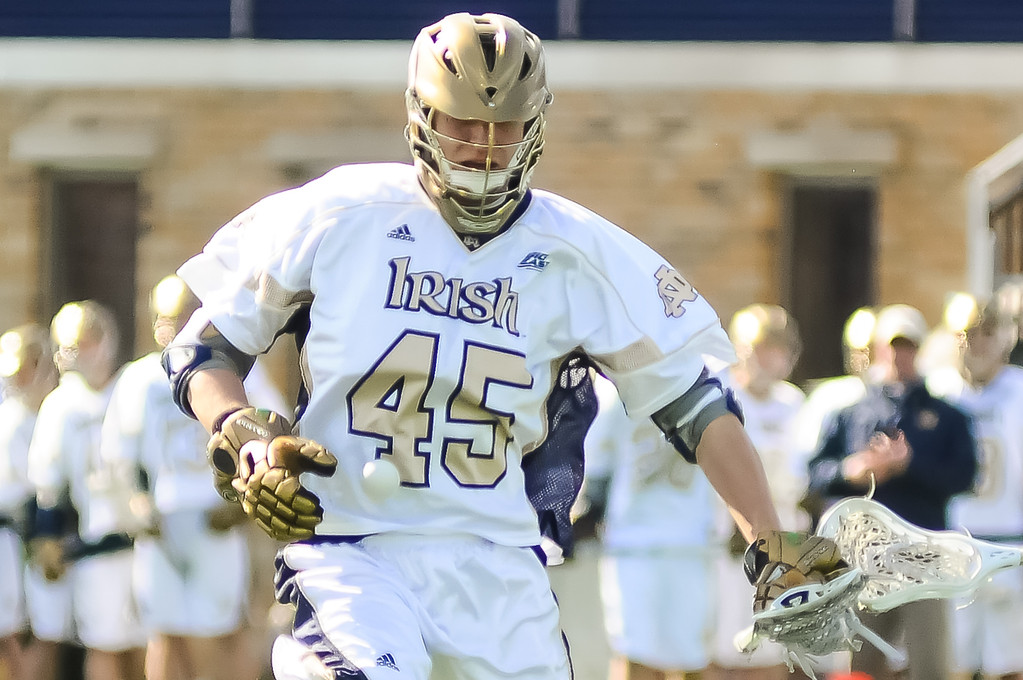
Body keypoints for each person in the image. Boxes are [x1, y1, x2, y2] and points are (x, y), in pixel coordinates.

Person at [161, 12, 846, 680]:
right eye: (462, 123)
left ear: (536, 122)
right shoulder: (343, 213)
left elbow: (695, 405)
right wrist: (239, 429)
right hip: (352, 547)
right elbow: (204, 350)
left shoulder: (576, 251)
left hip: (500, 562)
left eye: (504, 125)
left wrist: (768, 538)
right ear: (421, 114)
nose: (484, 146)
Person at [100, 275, 263, 680]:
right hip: (163, 516)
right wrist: (134, 503)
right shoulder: (138, 378)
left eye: (179, 317)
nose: (169, 328)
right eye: (164, 319)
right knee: (164, 631)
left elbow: (266, 430)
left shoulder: (234, 368)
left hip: (215, 512)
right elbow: (117, 454)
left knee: (225, 629)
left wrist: (244, 500)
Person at [807, 303, 978, 680]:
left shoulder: (947, 416)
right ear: (877, 348)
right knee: (860, 665)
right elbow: (815, 474)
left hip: (926, 553)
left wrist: (910, 465)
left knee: (931, 665)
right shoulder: (850, 413)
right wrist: (853, 470)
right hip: (866, 555)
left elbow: (965, 476)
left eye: (908, 346)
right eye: (893, 345)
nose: (900, 355)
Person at [27, 301, 147, 680]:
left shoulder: (134, 387)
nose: (79, 353)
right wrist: (47, 533)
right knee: (104, 643)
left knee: (151, 642)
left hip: (147, 536)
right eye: (71, 346)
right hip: (95, 541)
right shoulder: (62, 405)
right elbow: (48, 480)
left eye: (87, 342)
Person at [583, 373, 717, 680]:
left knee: (691, 655)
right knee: (634, 651)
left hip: (688, 542)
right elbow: (597, 465)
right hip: (636, 543)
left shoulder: (708, 381)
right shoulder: (617, 389)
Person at [710, 304, 816, 680]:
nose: (770, 358)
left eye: (779, 348)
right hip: (729, 538)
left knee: (773, 648)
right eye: (763, 347)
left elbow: (802, 474)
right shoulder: (721, 396)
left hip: (781, 535)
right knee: (723, 649)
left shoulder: (794, 403)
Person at [942, 295, 1023, 680]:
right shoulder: (940, 392)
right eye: (967, 334)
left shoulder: (1019, 391)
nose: (977, 343)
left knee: (1009, 666)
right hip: (951, 545)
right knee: (952, 664)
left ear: (1006, 336)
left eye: (987, 333)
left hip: (1010, 542)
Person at [0, 324, 60, 680]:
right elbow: (24, 488)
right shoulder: (11, 420)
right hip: (12, 536)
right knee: (14, 634)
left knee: (43, 629)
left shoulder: (50, 412)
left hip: (37, 533)